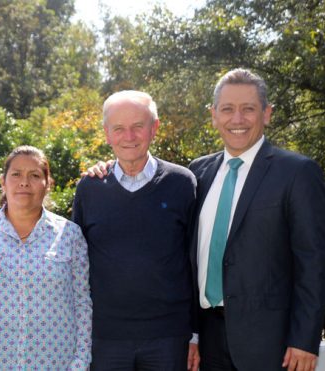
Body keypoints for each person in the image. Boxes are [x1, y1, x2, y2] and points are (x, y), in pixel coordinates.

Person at [189, 68, 325, 371]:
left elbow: (313, 262)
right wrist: (192, 333)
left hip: (271, 345)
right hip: (207, 342)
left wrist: (305, 339)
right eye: (227, 109)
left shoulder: (297, 173)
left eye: (248, 109)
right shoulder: (197, 173)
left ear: (267, 114)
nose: (237, 119)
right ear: (214, 115)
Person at [72, 91, 199, 370]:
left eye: (138, 126)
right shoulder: (90, 189)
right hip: (106, 338)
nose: (128, 136)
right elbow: (76, 263)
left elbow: (196, 262)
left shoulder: (182, 183)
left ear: (154, 128)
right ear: (107, 134)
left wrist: (196, 333)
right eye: (118, 128)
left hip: (169, 337)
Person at [0, 146, 92, 369]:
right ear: (3, 182)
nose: (24, 182)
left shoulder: (69, 235)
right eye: (16, 174)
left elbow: (82, 303)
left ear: (48, 184)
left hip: (56, 363)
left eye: (34, 175)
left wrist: (80, 362)